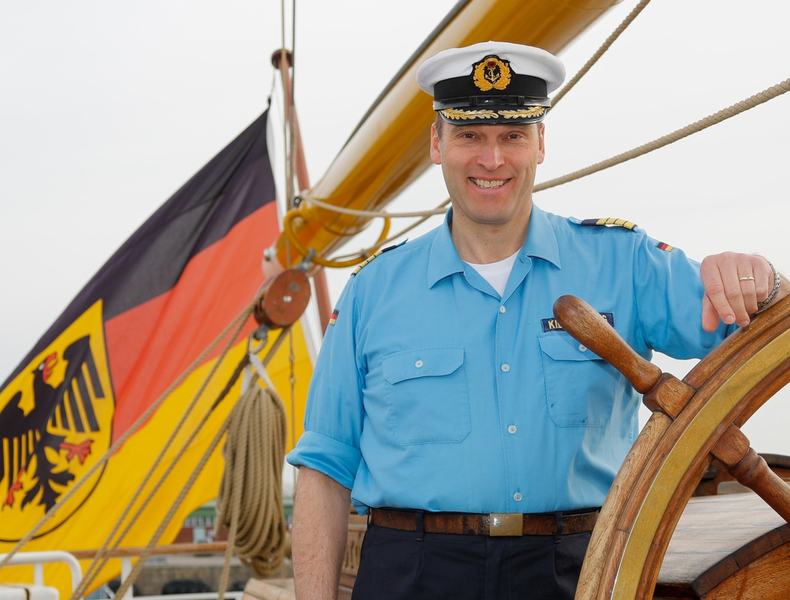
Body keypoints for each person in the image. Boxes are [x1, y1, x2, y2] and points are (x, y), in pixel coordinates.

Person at [286, 41, 788, 600]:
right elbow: (325, 467)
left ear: (541, 143)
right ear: (437, 142)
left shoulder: (624, 261)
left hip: (583, 569)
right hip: (412, 573)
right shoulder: (372, 291)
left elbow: (766, 330)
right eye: (469, 135)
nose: (492, 159)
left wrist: (762, 277)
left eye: (512, 136)